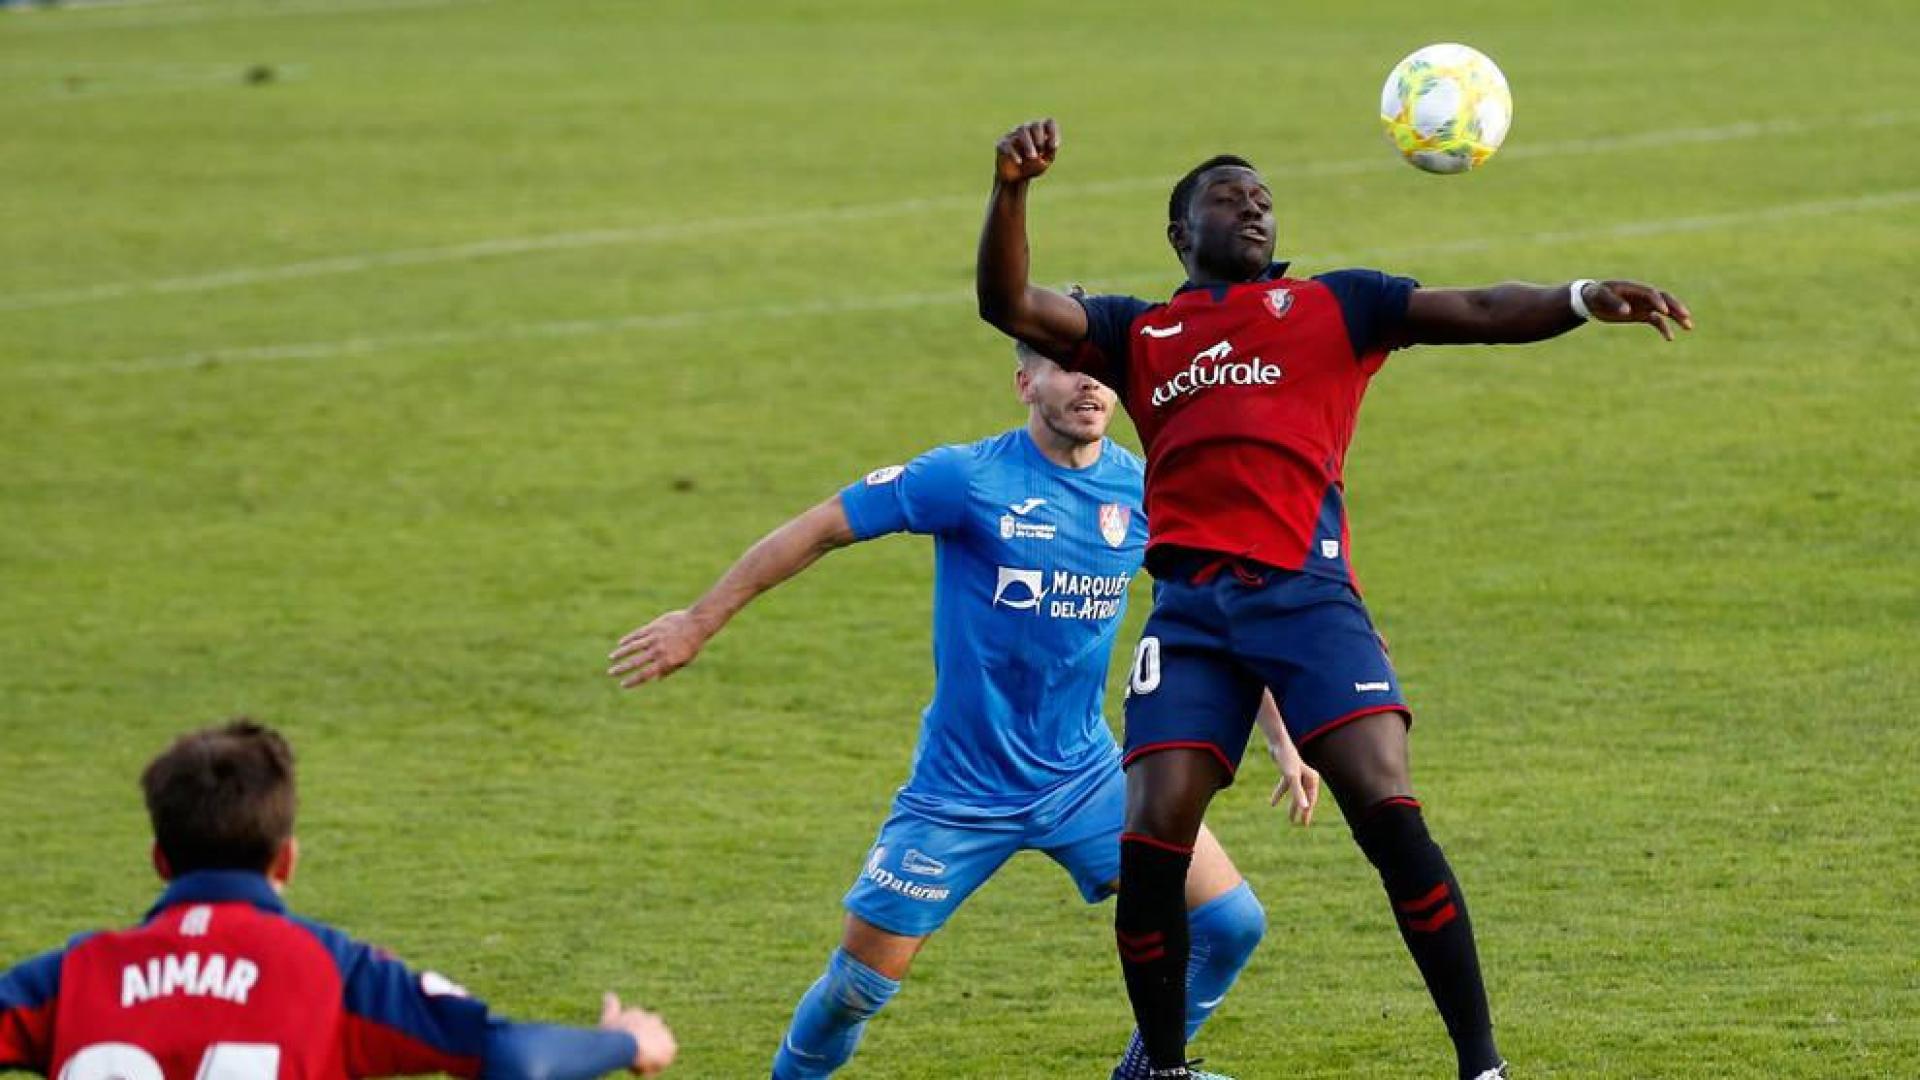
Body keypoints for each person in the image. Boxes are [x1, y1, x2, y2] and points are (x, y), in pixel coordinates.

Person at [976, 117, 1694, 1080]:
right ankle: (1168, 1070)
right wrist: (1013, 189)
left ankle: (1481, 1065)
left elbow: (1479, 308)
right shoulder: (1139, 331)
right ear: (1181, 232)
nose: (1256, 204)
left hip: (1308, 603)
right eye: (1230, 196)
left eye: (1264, 194)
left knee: (1390, 811)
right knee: (1151, 844)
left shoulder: (1336, 306)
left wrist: (1579, 297)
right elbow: (1005, 301)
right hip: (1191, 616)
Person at [606, 342, 1321, 1080]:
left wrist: (1282, 734)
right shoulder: (968, 477)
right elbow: (822, 524)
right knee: (857, 989)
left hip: (1088, 778)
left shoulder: (1142, 491)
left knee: (1232, 925)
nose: (1088, 384)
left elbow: (1212, 608)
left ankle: (1147, 1072)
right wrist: (697, 621)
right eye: (1065, 367)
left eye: (1102, 369)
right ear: (1024, 384)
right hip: (957, 794)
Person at [0, 720, 677, 1080]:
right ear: (286, 857)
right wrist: (619, 1044)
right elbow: (511, 1059)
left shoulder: (69, 977)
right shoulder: (334, 972)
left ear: (159, 860)